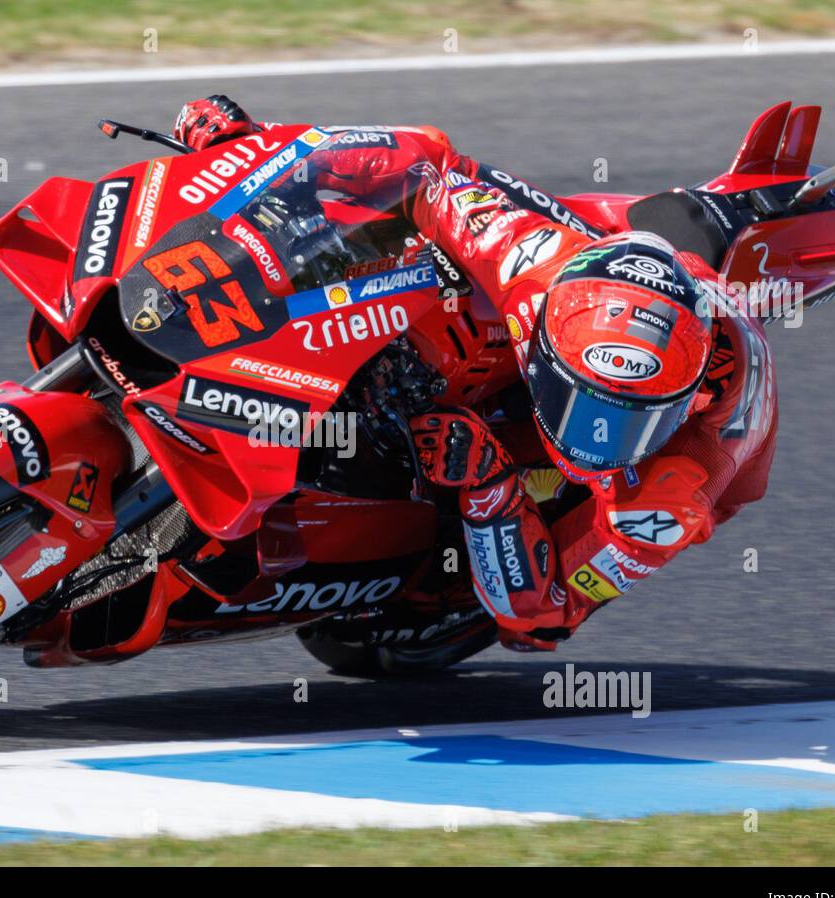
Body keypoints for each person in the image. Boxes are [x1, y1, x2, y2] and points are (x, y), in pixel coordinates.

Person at [172, 96, 778, 650]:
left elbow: (545, 612)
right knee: (403, 243)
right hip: (605, 273)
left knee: (527, 631)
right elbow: (426, 168)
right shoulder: (527, 261)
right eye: (585, 407)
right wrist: (258, 152)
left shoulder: (671, 492)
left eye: (623, 423)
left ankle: (441, 570)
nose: (592, 440)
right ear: (540, 336)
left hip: (657, 469)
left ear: (684, 403)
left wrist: (490, 485)